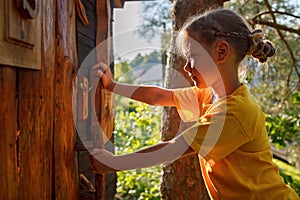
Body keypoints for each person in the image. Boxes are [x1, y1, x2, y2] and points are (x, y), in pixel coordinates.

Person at [89, 9, 299, 199]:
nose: (187, 66)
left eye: (192, 57)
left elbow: (173, 149)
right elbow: (158, 96)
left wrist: (114, 163)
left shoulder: (235, 112)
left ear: (221, 52)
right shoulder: (208, 95)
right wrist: (112, 86)